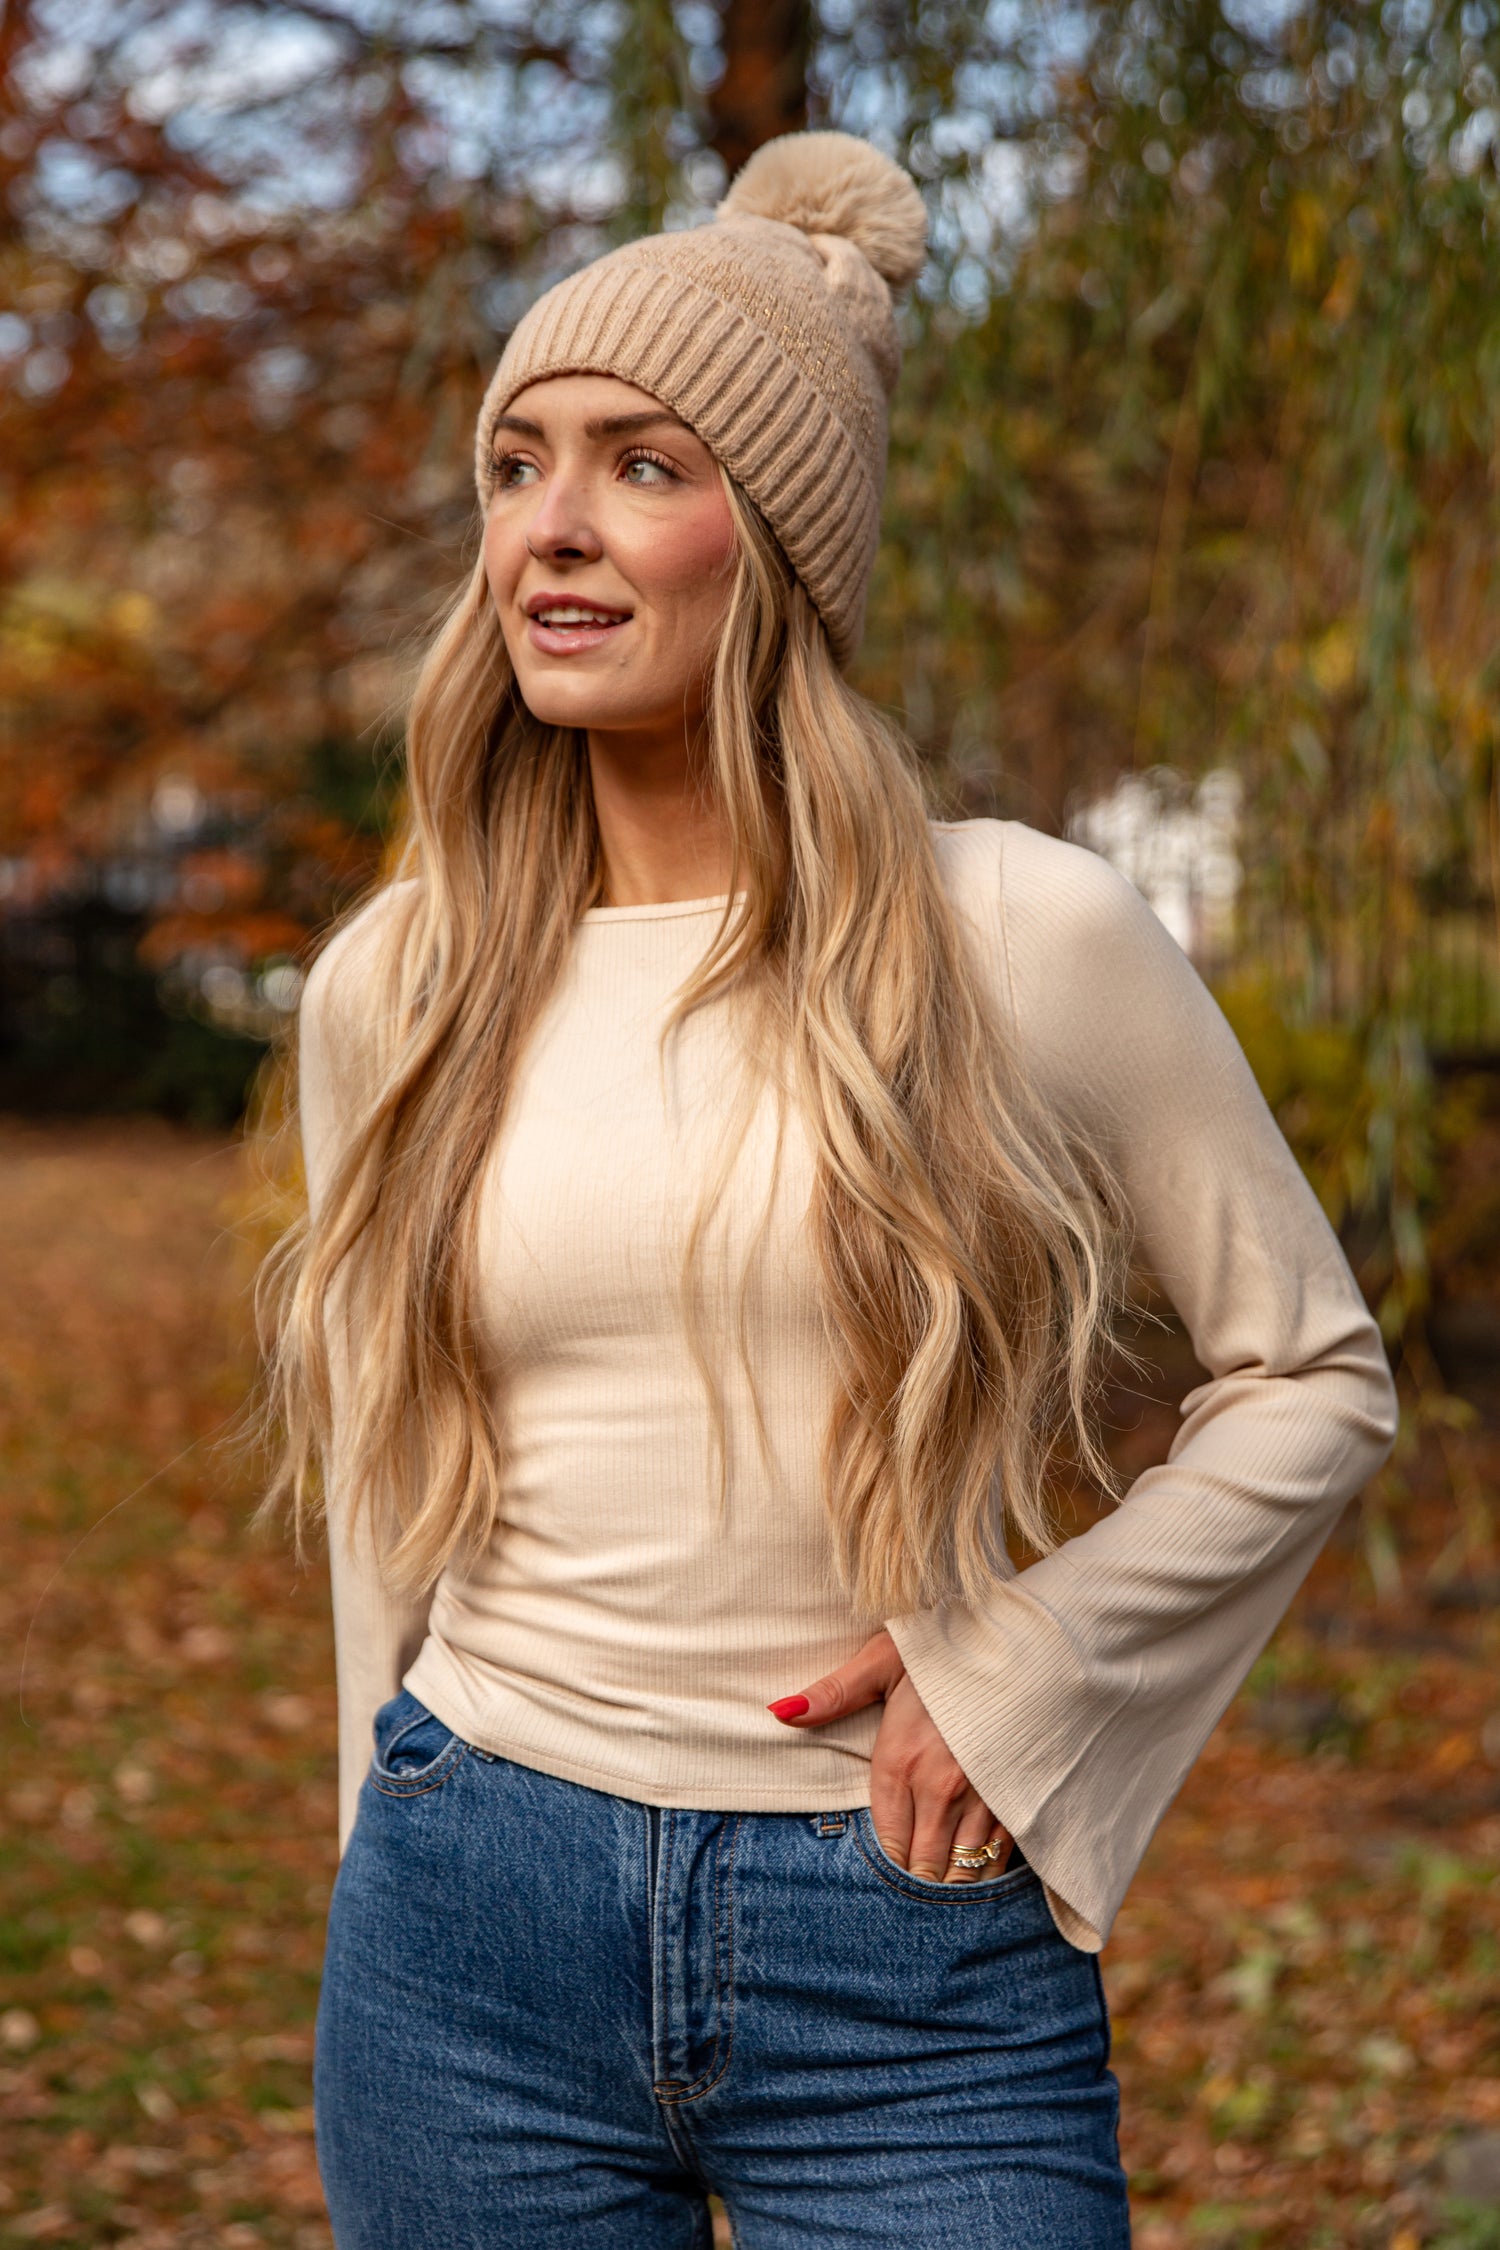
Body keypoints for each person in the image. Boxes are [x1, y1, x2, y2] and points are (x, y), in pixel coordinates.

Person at [260, 130, 1397, 2249]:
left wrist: (1028, 1663)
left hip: (905, 1946)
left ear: (772, 541)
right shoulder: (393, 986)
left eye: (642, 466)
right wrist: (369, 1842)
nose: (554, 532)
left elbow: (1312, 1379)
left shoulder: (1020, 937)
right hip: (463, 1937)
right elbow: (380, 1494)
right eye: (517, 466)